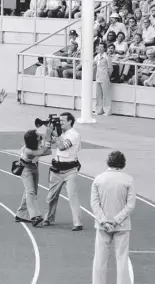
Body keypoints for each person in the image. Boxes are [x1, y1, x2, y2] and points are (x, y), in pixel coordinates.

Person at [91, 151, 136, 284]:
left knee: (100, 258)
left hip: (102, 225)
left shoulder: (98, 179)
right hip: (122, 226)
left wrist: (104, 220)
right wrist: (116, 220)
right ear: (123, 163)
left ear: (108, 162)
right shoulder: (128, 180)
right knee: (122, 259)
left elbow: (94, 203)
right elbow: (130, 205)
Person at [43, 112, 83, 231]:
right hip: (57, 169)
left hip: (70, 169)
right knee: (51, 196)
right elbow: (47, 145)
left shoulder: (74, 135)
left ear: (70, 121)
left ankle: (78, 223)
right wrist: (48, 133)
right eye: (59, 121)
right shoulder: (61, 132)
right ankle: (48, 218)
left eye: (62, 121)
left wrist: (55, 135)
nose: (60, 123)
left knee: (72, 196)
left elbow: (61, 146)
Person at [15, 128, 53, 227]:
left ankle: (21, 214)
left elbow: (47, 141)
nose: (39, 136)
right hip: (26, 169)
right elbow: (47, 151)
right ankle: (34, 216)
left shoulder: (36, 143)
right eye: (37, 135)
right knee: (31, 191)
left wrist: (50, 131)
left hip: (34, 166)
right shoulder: (28, 150)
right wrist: (48, 137)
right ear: (33, 140)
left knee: (31, 191)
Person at [94, 42, 113, 116]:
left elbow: (110, 68)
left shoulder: (107, 57)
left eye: (101, 47)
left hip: (104, 77)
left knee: (106, 95)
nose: (100, 48)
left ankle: (107, 111)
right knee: (98, 95)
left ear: (104, 48)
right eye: (99, 47)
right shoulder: (97, 56)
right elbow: (94, 64)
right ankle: (98, 110)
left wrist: (107, 75)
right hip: (98, 77)